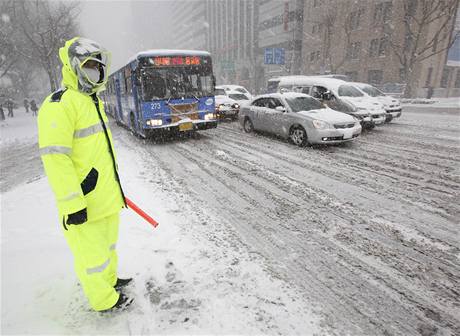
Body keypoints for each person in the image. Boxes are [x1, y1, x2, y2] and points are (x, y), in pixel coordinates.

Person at [37, 37, 133, 312]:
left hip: (105, 199)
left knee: (107, 250)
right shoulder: (60, 104)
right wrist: (72, 204)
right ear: (73, 66)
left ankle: (110, 281)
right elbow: (56, 158)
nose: (94, 70)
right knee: (92, 258)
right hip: (84, 204)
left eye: (97, 65)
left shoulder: (91, 101)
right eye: (88, 65)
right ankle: (103, 301)